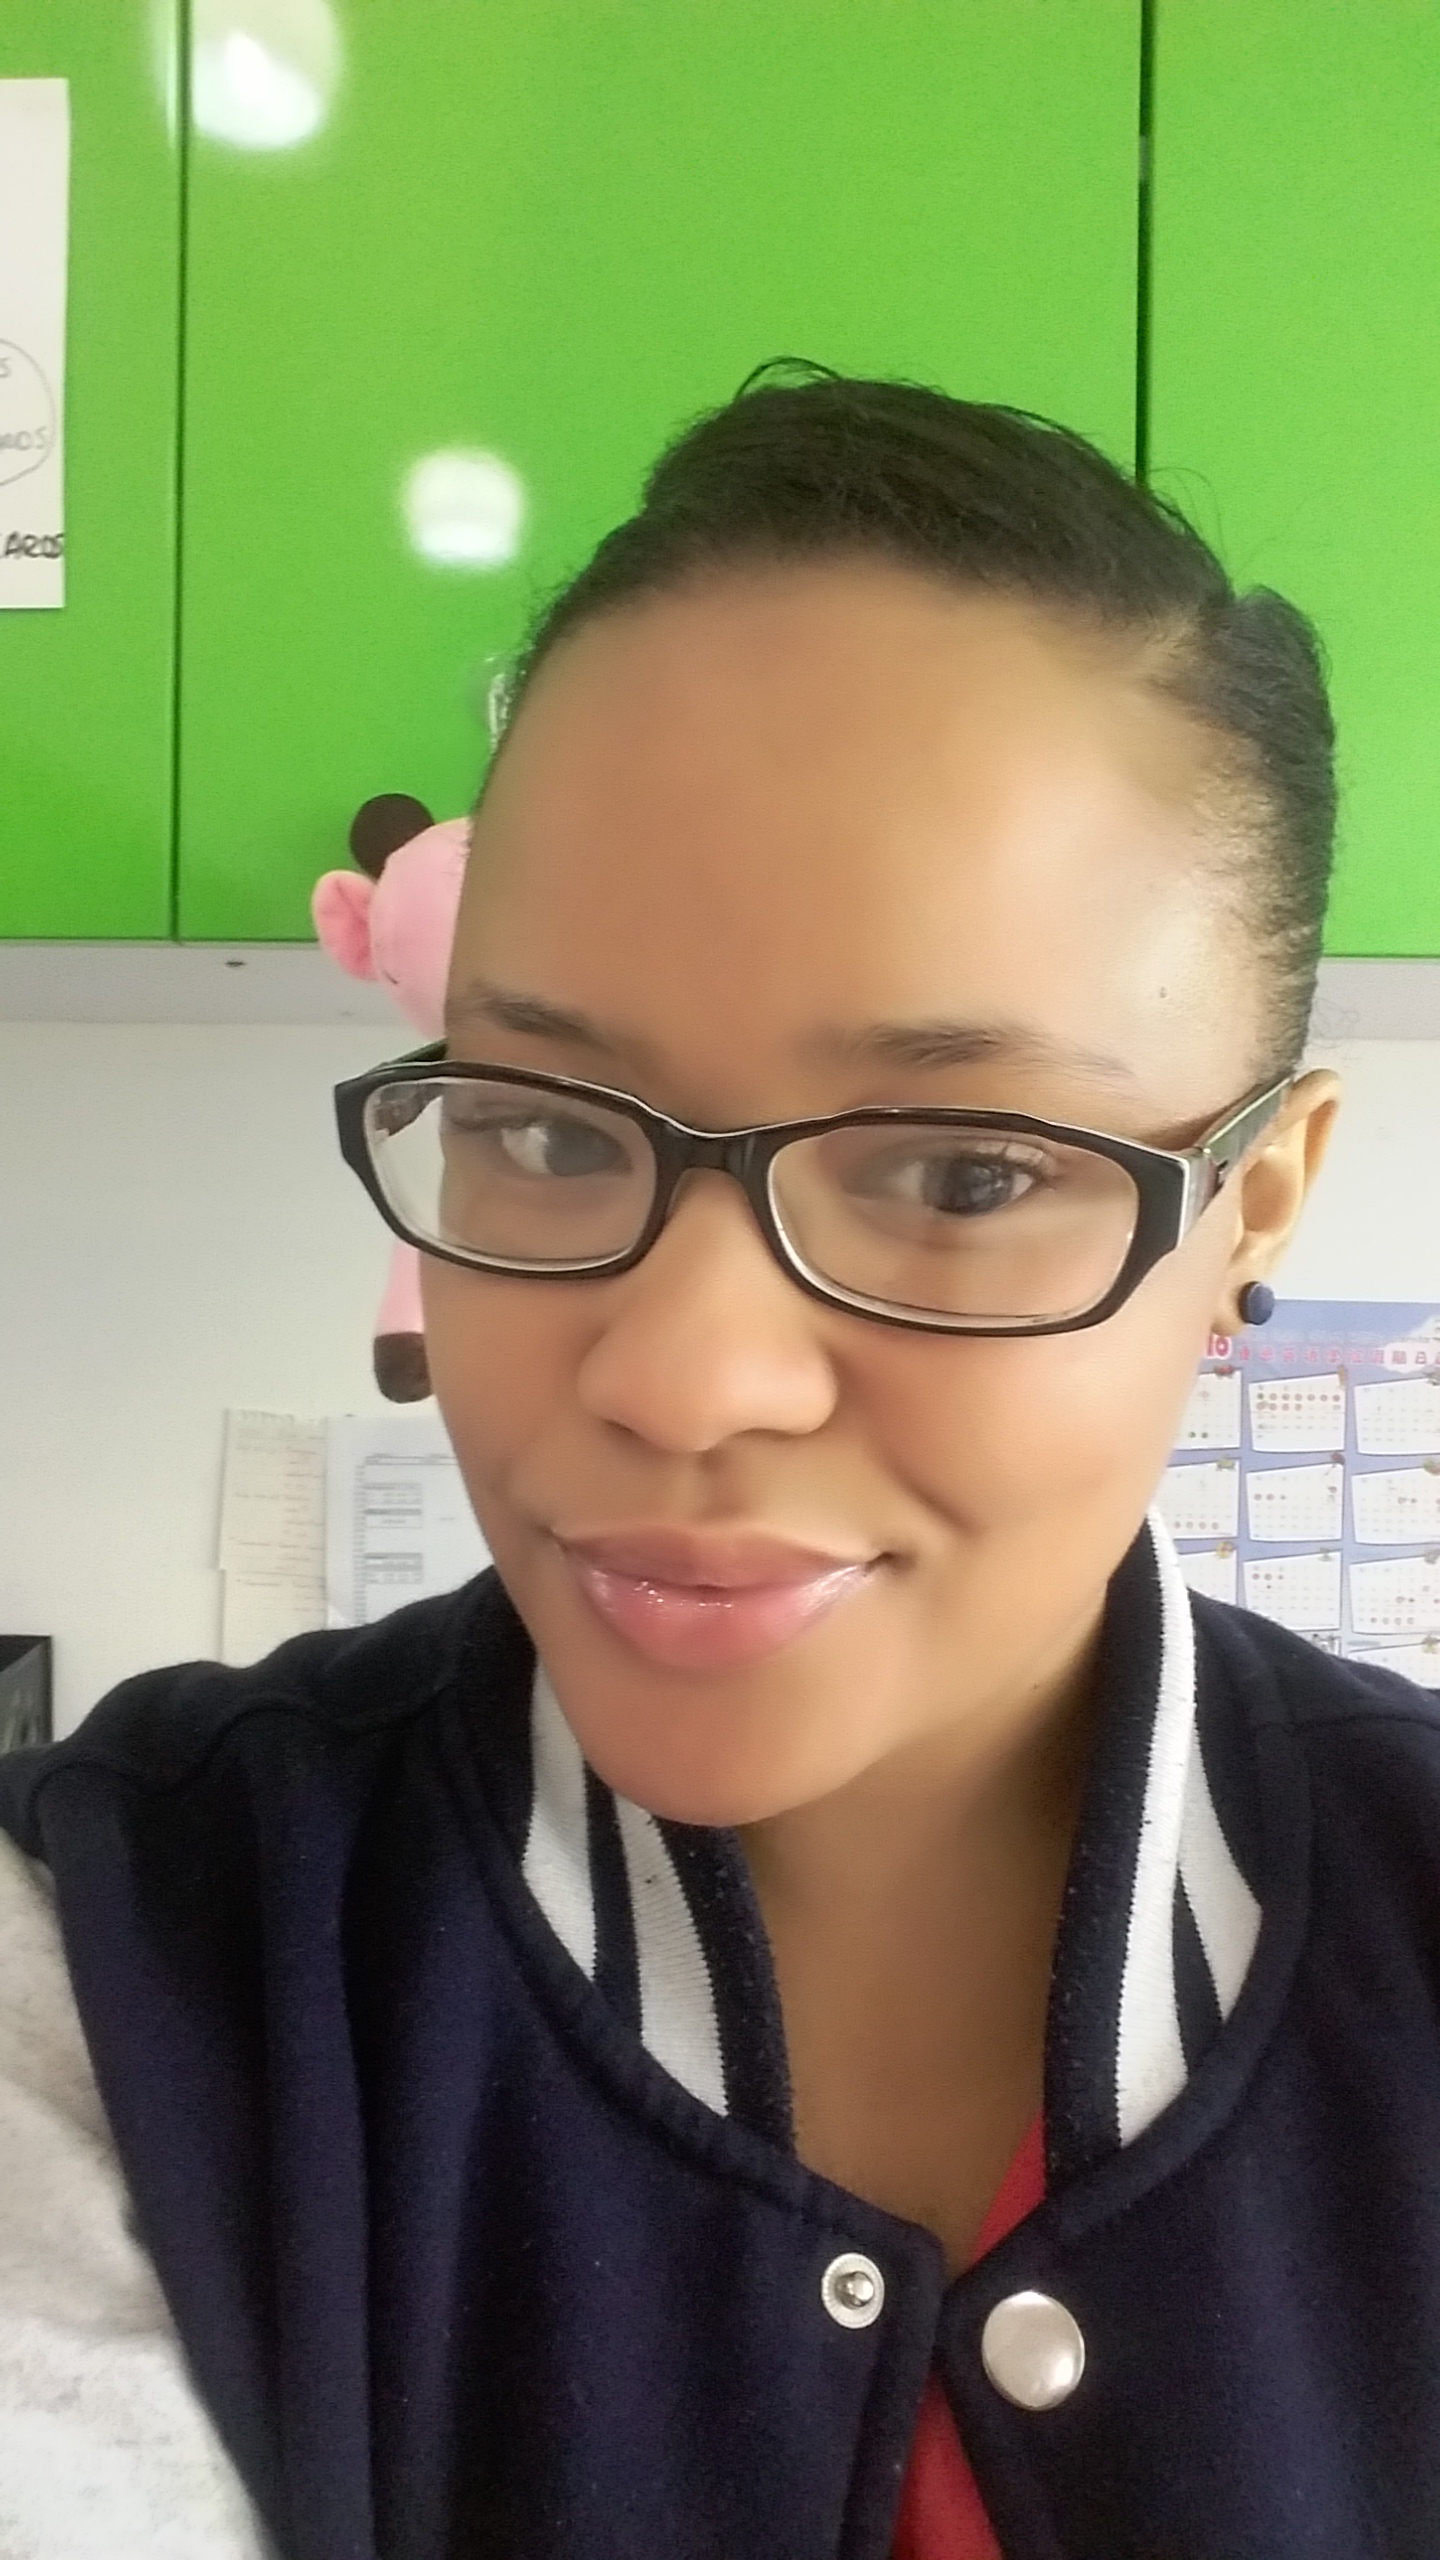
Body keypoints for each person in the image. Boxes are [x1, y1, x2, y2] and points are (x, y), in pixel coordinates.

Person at [0, 364, 1434, 2560]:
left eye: (961, 1171)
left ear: (1254, 1203)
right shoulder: (129, 1978)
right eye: (545, 1127)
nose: (682, 1378)